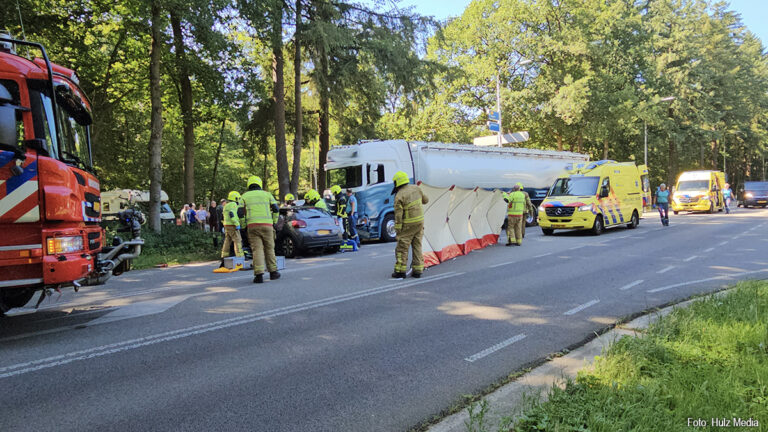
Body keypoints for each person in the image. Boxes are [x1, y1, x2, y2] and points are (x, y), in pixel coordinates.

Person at [242, 175, 280, 283]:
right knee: (269, 248)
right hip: (267, 225)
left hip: (252, 226)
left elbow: (240, 212)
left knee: (257, 250)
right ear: (259, 184)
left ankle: (259, 275)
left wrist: (243, 225)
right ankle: (273, 273)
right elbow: (276, 209)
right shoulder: (267, 194)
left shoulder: (244, 196)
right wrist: (274, 221)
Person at [391, 171, 428, 279]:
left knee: (402, 247)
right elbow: (426, 200)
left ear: (397, 183)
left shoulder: (399, 195)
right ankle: (417, 270)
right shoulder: (416, 188)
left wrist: (398, 231)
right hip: (420, 223)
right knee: (417, 245)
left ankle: (400, 271)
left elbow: (398, 216)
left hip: (408, 225)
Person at [217, 191, 244, 270]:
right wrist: (237, 224)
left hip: (226, 225)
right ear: (236, 198)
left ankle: (223, 257)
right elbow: (232, 214)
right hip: (233, 225)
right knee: (237, 241)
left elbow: (223, 217)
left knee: (227, 241)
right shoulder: (233, 205)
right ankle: (240, 258)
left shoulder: (226, 205)